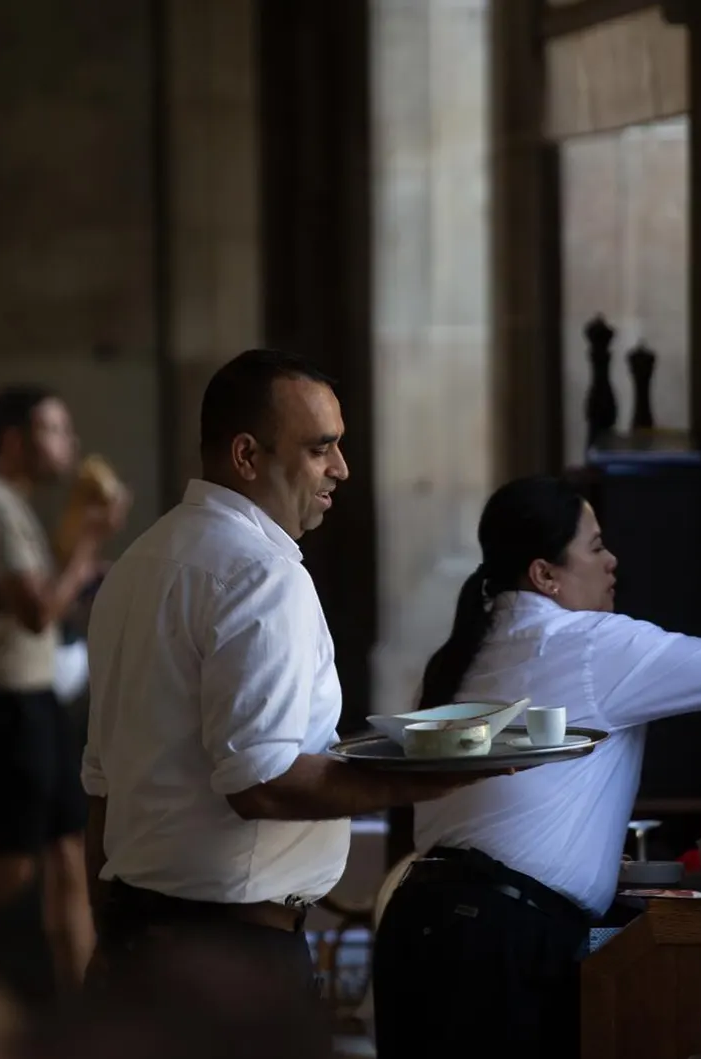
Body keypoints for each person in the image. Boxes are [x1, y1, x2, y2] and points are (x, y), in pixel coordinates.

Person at [80, 349, 498, 1011]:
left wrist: (106, 935)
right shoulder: (261, 574)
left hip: (137, 937)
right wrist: (433, 776)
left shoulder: (138, 562)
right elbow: (260, 782)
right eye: (319, 448)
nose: (341, 469)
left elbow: (101, 785)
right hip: (230, 964)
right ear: (247, 455)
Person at [371, 476, 701, 1059]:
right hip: (497, 942)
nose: (612, 560)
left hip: (418, 921)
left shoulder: (458, 656)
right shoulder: (593, 646)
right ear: (545, 574)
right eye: (595, 546)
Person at [0, 385, 127, 994]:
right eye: (54, 429)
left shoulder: (11, 507)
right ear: (14, 440)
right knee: (7, 867)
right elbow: (37, 611)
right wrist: (89, 543)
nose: (69, 443)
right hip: (2, 701)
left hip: (32, 696)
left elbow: (49, 600)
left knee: (69, 852)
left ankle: (83, 1009)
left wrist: (86, 568)